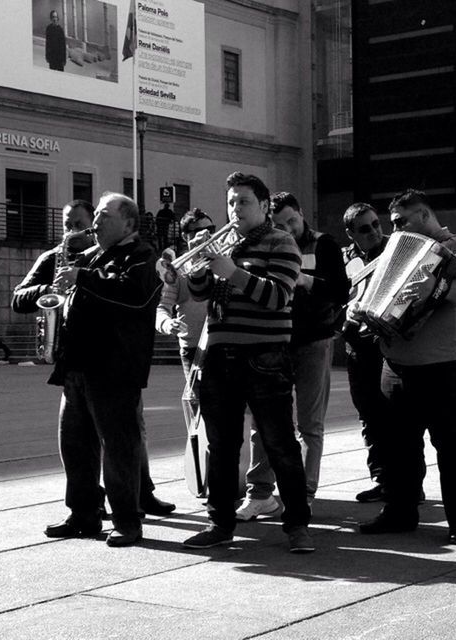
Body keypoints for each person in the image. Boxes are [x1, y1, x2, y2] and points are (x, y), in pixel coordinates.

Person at [12, 199, 175, 520]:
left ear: (128, 224)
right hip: (75, 365)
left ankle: (128, 517)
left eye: (102, 215)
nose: (93, 223)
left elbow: (137, 292)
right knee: (74, 447)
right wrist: (57, 285)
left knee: (119, 446)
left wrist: (81, 278)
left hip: (114, 368)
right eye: (94, 216)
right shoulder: (84, 255)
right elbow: (21, 297)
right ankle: (82, 514)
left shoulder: (142, 255)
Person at [182, 172, 314, 553]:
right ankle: (219, 523)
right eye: (230, 202)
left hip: (265, 357)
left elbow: (278, 297)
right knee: (221, 447)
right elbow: (203, 294)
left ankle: (297, 526)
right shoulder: (225, 244)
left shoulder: (282, 242)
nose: (234, 209)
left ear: (263, 206)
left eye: (242, 201)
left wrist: (233, 272)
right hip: (220, 357)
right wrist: (199, 270)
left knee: (280, 444)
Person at [358, 189, 456, 545]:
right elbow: (372, 291)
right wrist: (360, 305)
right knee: (399, 447)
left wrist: (435, 285)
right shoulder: (393, 252)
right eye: (392, 223)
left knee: (451, 445)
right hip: (395, 366)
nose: (394, 229)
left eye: (401, 221)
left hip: (445, 365)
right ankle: (399, 512)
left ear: (425, 215)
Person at [235, 191, 348, 519]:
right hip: (274, 340)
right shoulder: (267, 243)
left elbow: (341, 290)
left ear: (302, 214)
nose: (288, 228)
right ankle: (260, 493)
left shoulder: (323, 244)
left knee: (310, 424)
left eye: (292, 222)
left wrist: (305, 280)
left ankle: (305, 493)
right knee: (263, 421)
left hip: (313, 340)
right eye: (280, 223)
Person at [340, 203, 396, 503]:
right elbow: (335, 298)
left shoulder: (394, 249)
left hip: (387, 347)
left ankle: (405, 481)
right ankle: (381, 479)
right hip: (356, 348)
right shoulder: (343, 258)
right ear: (350, 234)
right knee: (369, 416)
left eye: (376, 224)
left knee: (395, 417)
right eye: (365, 228)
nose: (375, 231)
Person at [155, 207, 214, 378]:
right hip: (193, 348)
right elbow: (162, 307)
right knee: (196, 401)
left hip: (224, 344)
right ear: (185, 236)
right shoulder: (177, 270)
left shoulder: (224, 260)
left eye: (211, 230)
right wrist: (167, 324)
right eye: (199, 231)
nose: (206, 235)